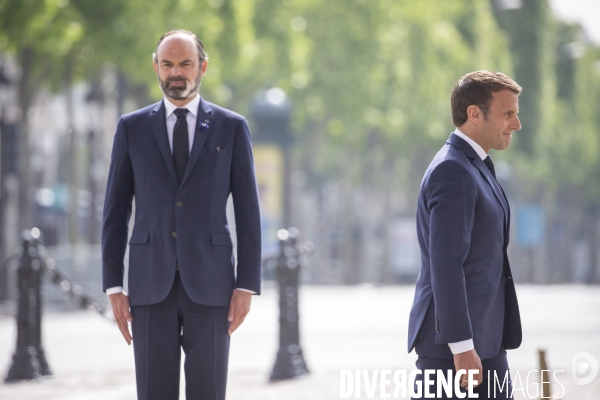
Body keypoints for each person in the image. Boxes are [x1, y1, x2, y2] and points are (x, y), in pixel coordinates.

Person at [102, 29, 261, 400]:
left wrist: (246, 285)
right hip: (148, 284)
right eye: (168, 64)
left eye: (185, 63)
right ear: (156, 67)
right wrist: (113, 286)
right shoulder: (131, 128)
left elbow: (249, 212)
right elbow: (115, 210)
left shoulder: (232, 127)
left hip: (212, 284)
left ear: (202, 67)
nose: (177, 72)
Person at [407, 71, 523, 398]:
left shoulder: (474, 165)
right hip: (456, 351)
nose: (516, 124)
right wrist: (461, 346)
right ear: (474, 114)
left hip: (484, 341)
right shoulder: (453, 170)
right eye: (508, 114)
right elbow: (446, 264)